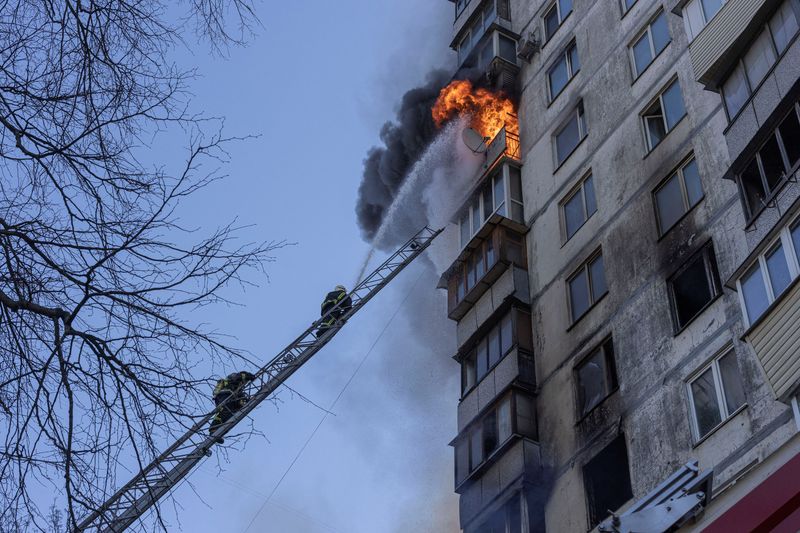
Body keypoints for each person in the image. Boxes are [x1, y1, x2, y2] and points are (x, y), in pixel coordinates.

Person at [209, 371, 256, 442]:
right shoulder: (229, 381)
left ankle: (220, 433)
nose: (243, 384)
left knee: (232, 419)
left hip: (232, 399)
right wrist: (249, 376)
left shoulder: (239, 391)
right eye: (243, 382)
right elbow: (240, 376)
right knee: (224, 411)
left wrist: (245, 402)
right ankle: (213, 429)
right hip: (224, 395)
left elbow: (241, 402)